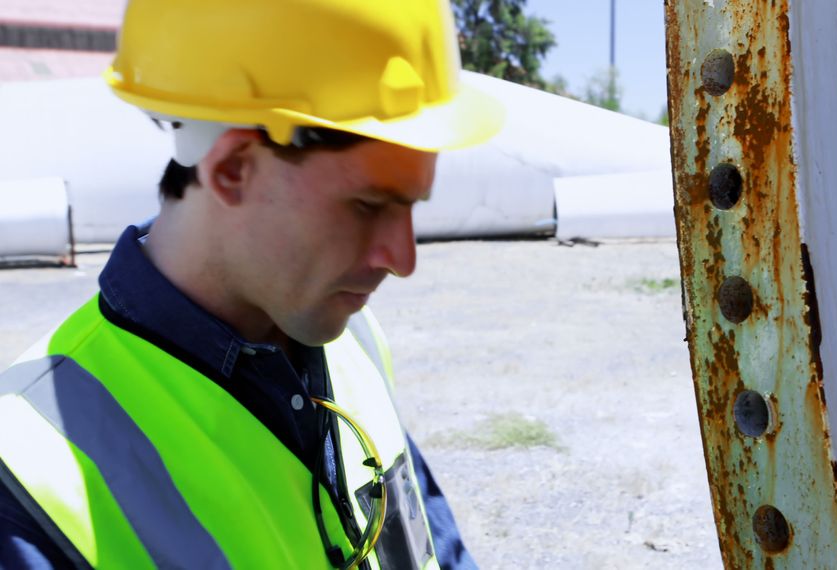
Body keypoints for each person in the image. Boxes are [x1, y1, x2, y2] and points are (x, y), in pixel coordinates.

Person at [0, 0, 502, 568]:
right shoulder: (27, 486)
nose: (403, 258)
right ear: (233, 168)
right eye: (367, 206)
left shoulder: (351, 334)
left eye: (409, 207)